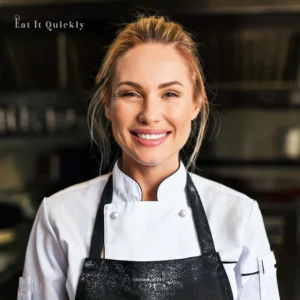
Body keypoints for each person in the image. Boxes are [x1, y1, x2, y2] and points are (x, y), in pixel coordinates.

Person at [18, 15, 280, 300]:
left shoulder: (239, 216)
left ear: (195, 103)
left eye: (169, 93)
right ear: (107, 103)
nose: (150, 115)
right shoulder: (59, 217)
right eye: (131, 93)